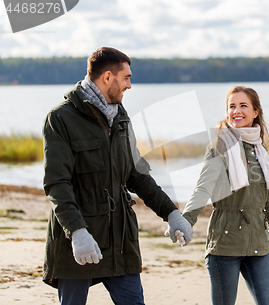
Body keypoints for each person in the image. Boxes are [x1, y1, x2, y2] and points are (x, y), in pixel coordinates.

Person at [42, 47, 192, 305]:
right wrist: (77, 232)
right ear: (108, 77)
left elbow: (137, 174)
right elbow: (57, 184)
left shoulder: (120, 116)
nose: (130, 85)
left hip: (121, 239)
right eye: (126, 77)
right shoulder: (60, 118)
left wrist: (172, 213)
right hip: (79, 238)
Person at [173, 86, 269, 305]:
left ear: (255, 112)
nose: (236, 111)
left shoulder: (260, 150)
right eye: (231, 106)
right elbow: (203, 188)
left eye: (243, 105)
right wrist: (186, 220)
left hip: (257, 246)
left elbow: (268, 204)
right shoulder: (220, 146)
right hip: (224, 245)